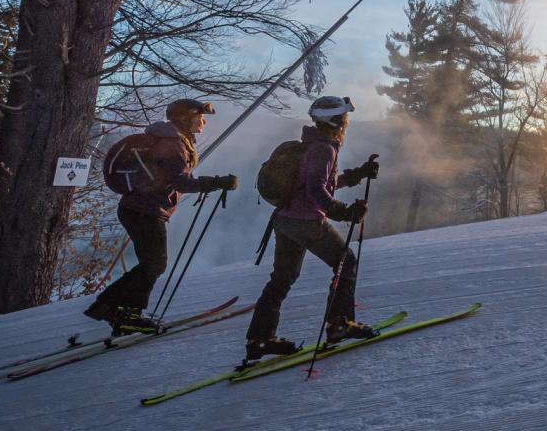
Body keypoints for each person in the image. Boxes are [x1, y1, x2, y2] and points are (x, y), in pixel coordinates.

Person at [244, 95, 381, 361]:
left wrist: (358, 174)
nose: (347, 122)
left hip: (284, 219)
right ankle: (340, 324)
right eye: (345, 117)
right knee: (346, 262)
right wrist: (344, 212)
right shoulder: (323, 149)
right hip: (306, 221)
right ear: (336, 120)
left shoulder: (311, 145)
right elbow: (316, 189)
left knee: (282, 278)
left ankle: (259, 339)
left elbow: (322, 183)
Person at [85, 99, 238, 332]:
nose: (204, 122)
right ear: (185, 119)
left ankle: (112, 308)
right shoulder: (172, 144)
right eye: (200, 117)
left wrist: (210, 184)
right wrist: (216, 183)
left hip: (138, 209)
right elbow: (180, 182)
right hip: (144, 211)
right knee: (155, 264)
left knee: (152, 264)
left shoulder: (175, 141)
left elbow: (174, 178)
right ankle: (125, 313)